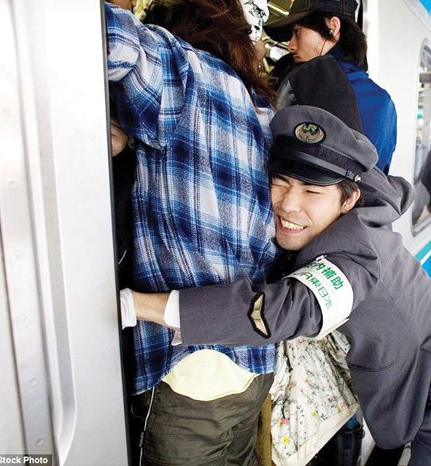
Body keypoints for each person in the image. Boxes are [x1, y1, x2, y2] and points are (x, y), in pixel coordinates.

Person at [123, 105, 431, 466]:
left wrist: (138, 305)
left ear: (348, 199)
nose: (288, 205)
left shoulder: (354, 258)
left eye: (312, 192)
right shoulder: (360, 204)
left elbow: (281, 311)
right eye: (279, 183)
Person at [105, 1, 278, 464]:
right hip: (254, 363)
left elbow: (91, 32)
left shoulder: (178, 70)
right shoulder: (261, 109)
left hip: (189, 368)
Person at [264, 0, 397, 173]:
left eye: (297, 32)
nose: (291, 46)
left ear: (332, 26)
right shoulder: (382, 101)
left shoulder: (301, 89)